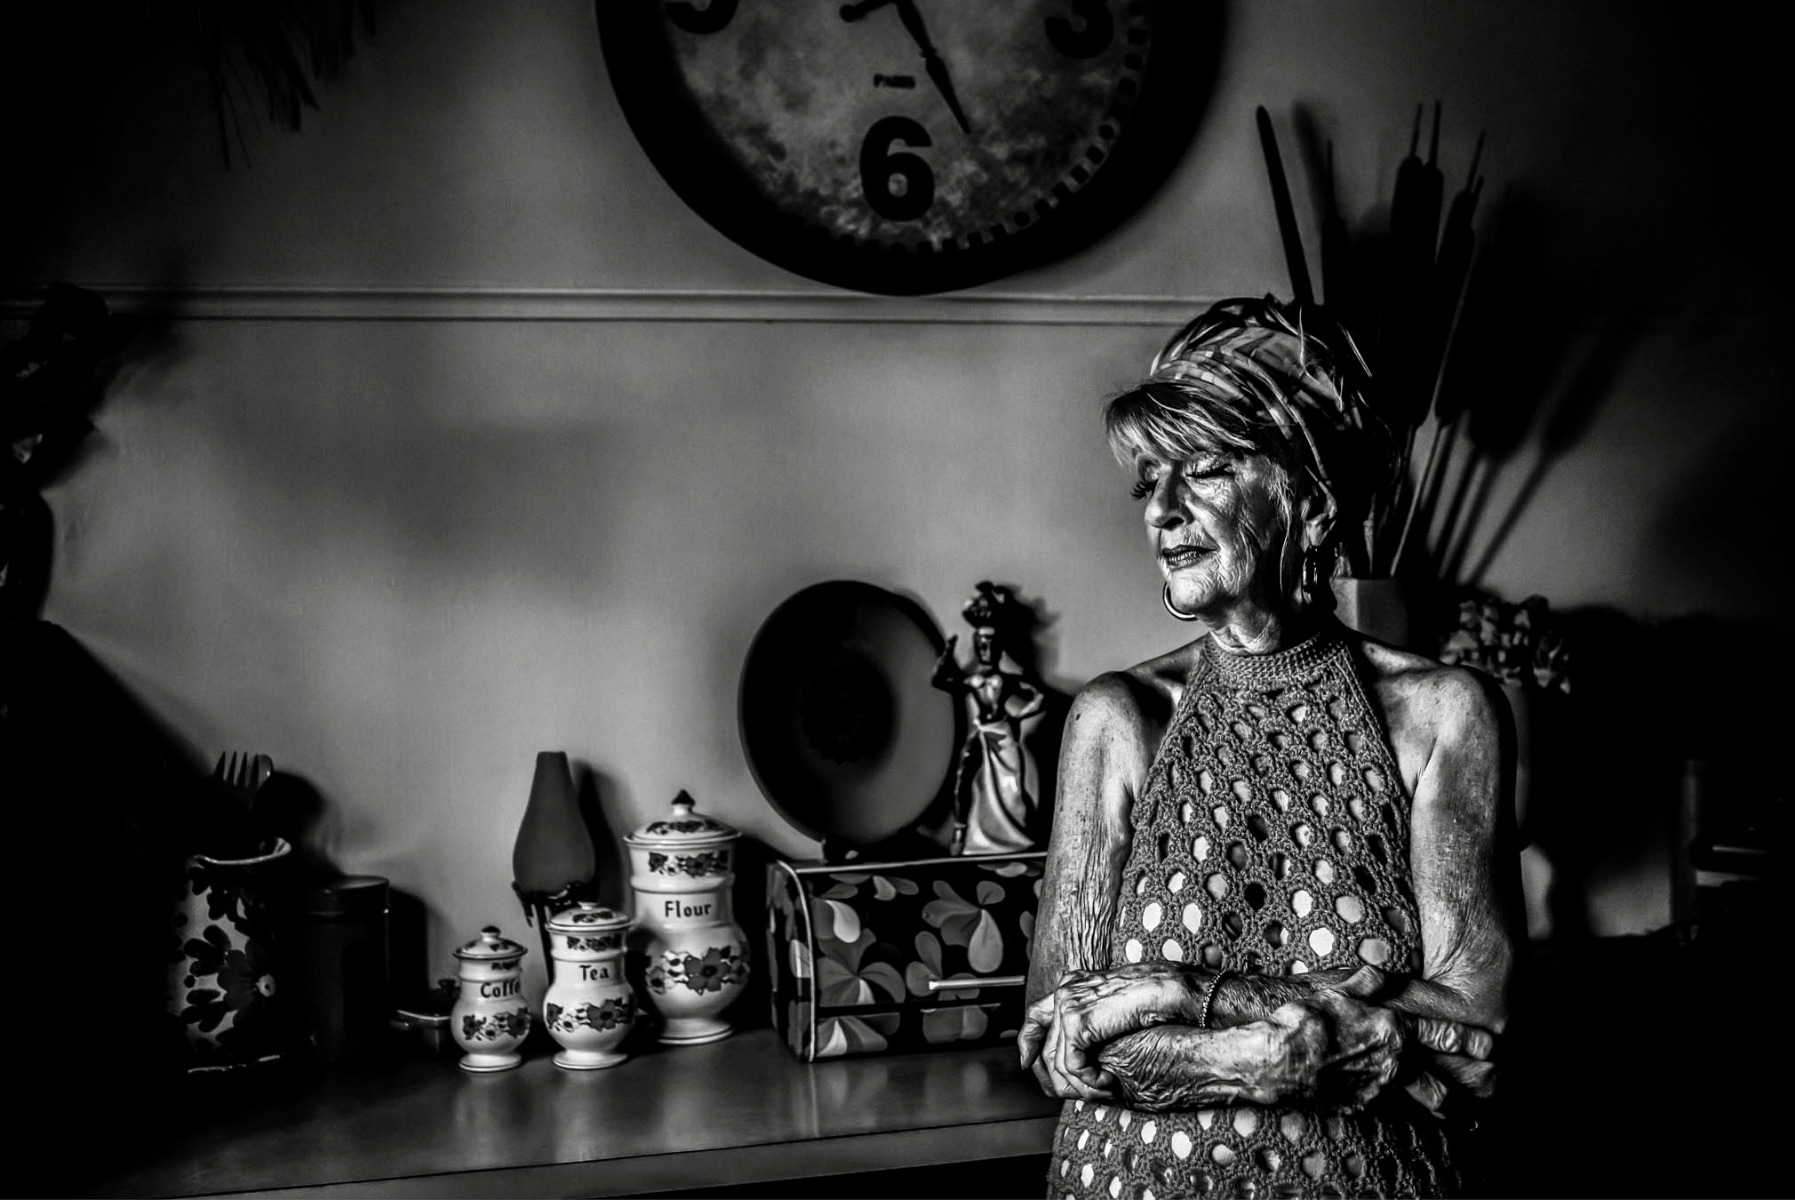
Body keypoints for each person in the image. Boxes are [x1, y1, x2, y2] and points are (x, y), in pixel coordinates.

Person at [1018, 296, 1518, 1198]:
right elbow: (1058, 1037)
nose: (1162, 512)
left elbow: (1478, 1042)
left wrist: (1173, 995)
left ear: (1313, 502)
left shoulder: (1445, 713)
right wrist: (1275, 1058)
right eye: (1147, 486)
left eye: (1204, 471)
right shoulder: (1117, 717)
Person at [932, 582, 1048, 854]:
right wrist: (947, 655)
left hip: (1003, 733)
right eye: (981, 643)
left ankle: (1020, 832)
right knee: (963, 776)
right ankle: (961, 834)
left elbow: (1041, 697)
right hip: (980, 731)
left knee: (1013, 787)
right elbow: (939, 680)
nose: (986, 648)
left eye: (991, 643)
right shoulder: (972, 679)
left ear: (1000, 646)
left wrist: (1017, 716)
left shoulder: (1007, 679)